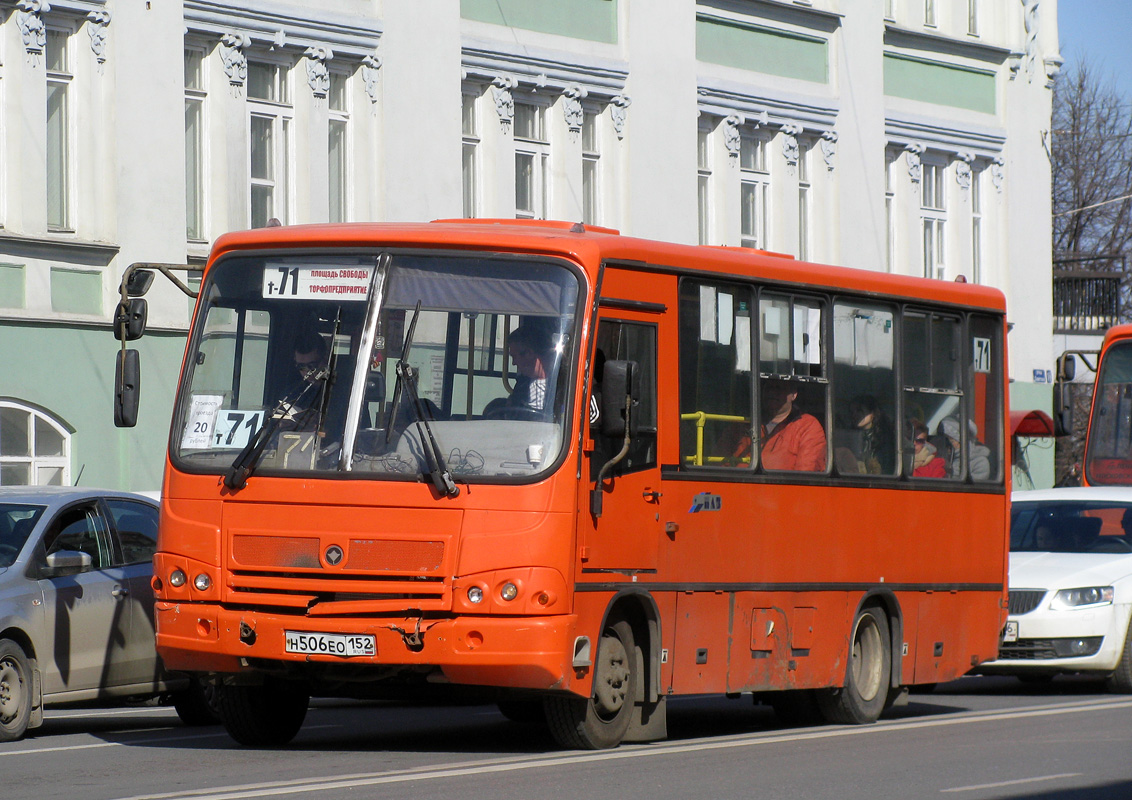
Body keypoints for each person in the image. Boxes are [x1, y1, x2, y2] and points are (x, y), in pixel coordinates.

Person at [759, 380, 826, 471]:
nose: (772, 392)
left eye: (779, 388)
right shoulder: (747, 423)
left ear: (793, 394)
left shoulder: (808, 426)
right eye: (768, 388)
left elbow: (806, 475)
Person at [506, 323, 556, 413]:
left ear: (529, 353)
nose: (514, 363)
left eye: (514, 357)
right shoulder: (521, 385)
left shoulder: (563, 384)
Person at [849, 395, 895, 474]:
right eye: (852, 412)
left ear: (873, 413)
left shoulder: (886, 438)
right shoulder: (848, 437)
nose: (854, 415)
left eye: (859, 410)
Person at [939, 416, 991, 480]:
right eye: (943, 440)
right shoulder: (937, 458)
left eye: (951, 439)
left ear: (961, 441)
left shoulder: (980, 462)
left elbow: (972, 488)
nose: (946, 444)